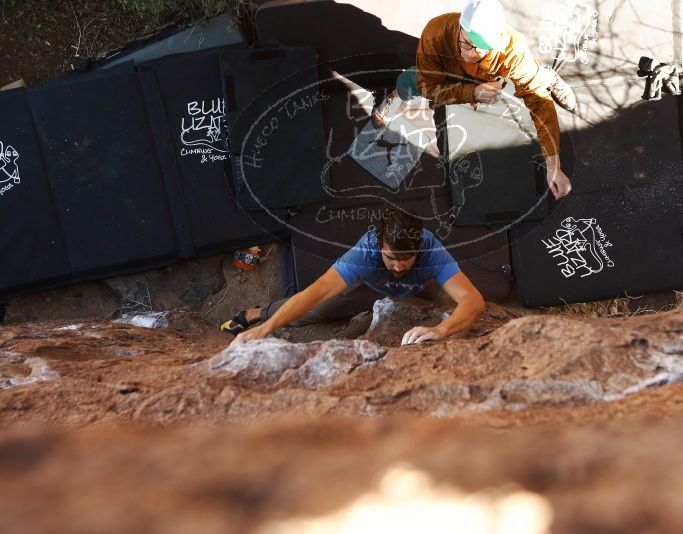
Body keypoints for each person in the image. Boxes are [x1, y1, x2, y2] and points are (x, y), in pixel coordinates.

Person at [373, 0, 575, 200]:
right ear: (461, 26)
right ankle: (397, 94)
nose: (468, 53)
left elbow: (538, 100)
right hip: (447, 70)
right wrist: (472, 93)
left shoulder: (513, 51)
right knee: (412, 80)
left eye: (478, 49)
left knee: (534, 80)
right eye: (465, 43)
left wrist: (553, 164)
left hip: (494, 77)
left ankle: (547, 77)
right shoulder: (435, 33)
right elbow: (429, 86)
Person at [225, 209, 486, 346]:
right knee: (312, 312)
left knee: (455, 317)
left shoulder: (431, 250)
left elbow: (473, 301)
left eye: (405, 260)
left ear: (418, 250)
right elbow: (315, 293)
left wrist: (441, 330)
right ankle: (257, 314)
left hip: (419, 286)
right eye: (390, 258)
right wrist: (265, 329)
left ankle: (370, 318)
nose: (397, 266)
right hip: (370, 282)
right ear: (380, 245)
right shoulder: (365, 252)